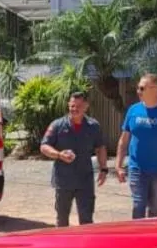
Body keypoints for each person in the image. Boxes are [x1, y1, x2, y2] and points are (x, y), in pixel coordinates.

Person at [114, 73, 157, 219]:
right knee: (138, 205)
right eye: (138, 88)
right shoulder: (133, 110)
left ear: (154, 89)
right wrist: (118, 166)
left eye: (141, 88)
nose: (138, 91)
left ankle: (153, 240)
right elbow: (123, 140)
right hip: (136, 168)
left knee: (154, 208)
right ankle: (137, 240)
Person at [39, 90, 109, 227]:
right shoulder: (57, 125)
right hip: (64, 181)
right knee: (62, 219)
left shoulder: (93, 126)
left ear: (86, 106)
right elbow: (44, 146)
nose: (74, 109)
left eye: (78, 106)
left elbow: (100, 148)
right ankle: (62, 247)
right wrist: (59, 155)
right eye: (72, 106)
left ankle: (86, 247)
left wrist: (104, 169)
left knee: (87, 220)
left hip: (85, 180)